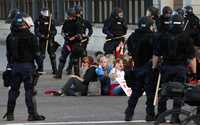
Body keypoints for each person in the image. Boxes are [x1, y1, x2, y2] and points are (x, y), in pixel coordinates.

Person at [152, 14, 196, 123]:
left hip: (166, 67)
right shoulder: (186, 38)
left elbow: (156, 54)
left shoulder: (163, 36)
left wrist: (154, 66)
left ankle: (161, 115)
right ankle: (175, 117)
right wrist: (194, 72)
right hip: (180, 68)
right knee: (179, 93)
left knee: (163, 91)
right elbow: (191, 58)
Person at [3, 15, 45, 121]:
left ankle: (10, 114)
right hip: (28, 67)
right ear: (23, 24)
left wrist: (10, 66)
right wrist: (40, 68)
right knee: (29, 91)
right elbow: (37, 54)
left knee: (13, 91)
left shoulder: (10, 37)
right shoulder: (31, 36)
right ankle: (31, 115)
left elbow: (8, 54)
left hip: (15, 67)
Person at [124, 16, 156, 121]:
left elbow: (128, 50)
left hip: (137, 67)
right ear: (150, 26)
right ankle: (150, 114)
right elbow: (156, 51)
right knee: (150, 93)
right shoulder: (152, 37)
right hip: (149, 67)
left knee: (136, 92)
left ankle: (129, 112)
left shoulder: (133, 36)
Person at [54, 8, 83, 79]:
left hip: (75, 44)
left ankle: (77, 75)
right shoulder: (66, 22)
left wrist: (71, 38)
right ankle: (58, 74)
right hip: (67, 43)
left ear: (73, 16)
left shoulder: (78, 23)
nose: (68, 17)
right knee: (62, 58)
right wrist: (65, 36)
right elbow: (62, 31)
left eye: (70, 16)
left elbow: (79, 35)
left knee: (75, 60)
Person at [66, 5, 93, 75]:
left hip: (83, 40)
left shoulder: (84, 21)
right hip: (75, 40)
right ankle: (69, 68)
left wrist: (88, 35)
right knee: (73, 55)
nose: (78, 14)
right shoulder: (72, 21)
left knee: (84, 54)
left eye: (79, 13)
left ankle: (85, 68)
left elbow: (90, 29)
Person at [34, 8, 58, 74]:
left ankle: (55, 70)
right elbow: (36, 32)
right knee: (42, 55)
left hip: (50, 40)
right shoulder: (38, 21)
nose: (45, 16)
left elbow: (55, 30)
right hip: (42, 41)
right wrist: (42, 36)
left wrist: (52, 33)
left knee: (52, 55)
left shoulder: (51, 21)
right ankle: (40, 69)